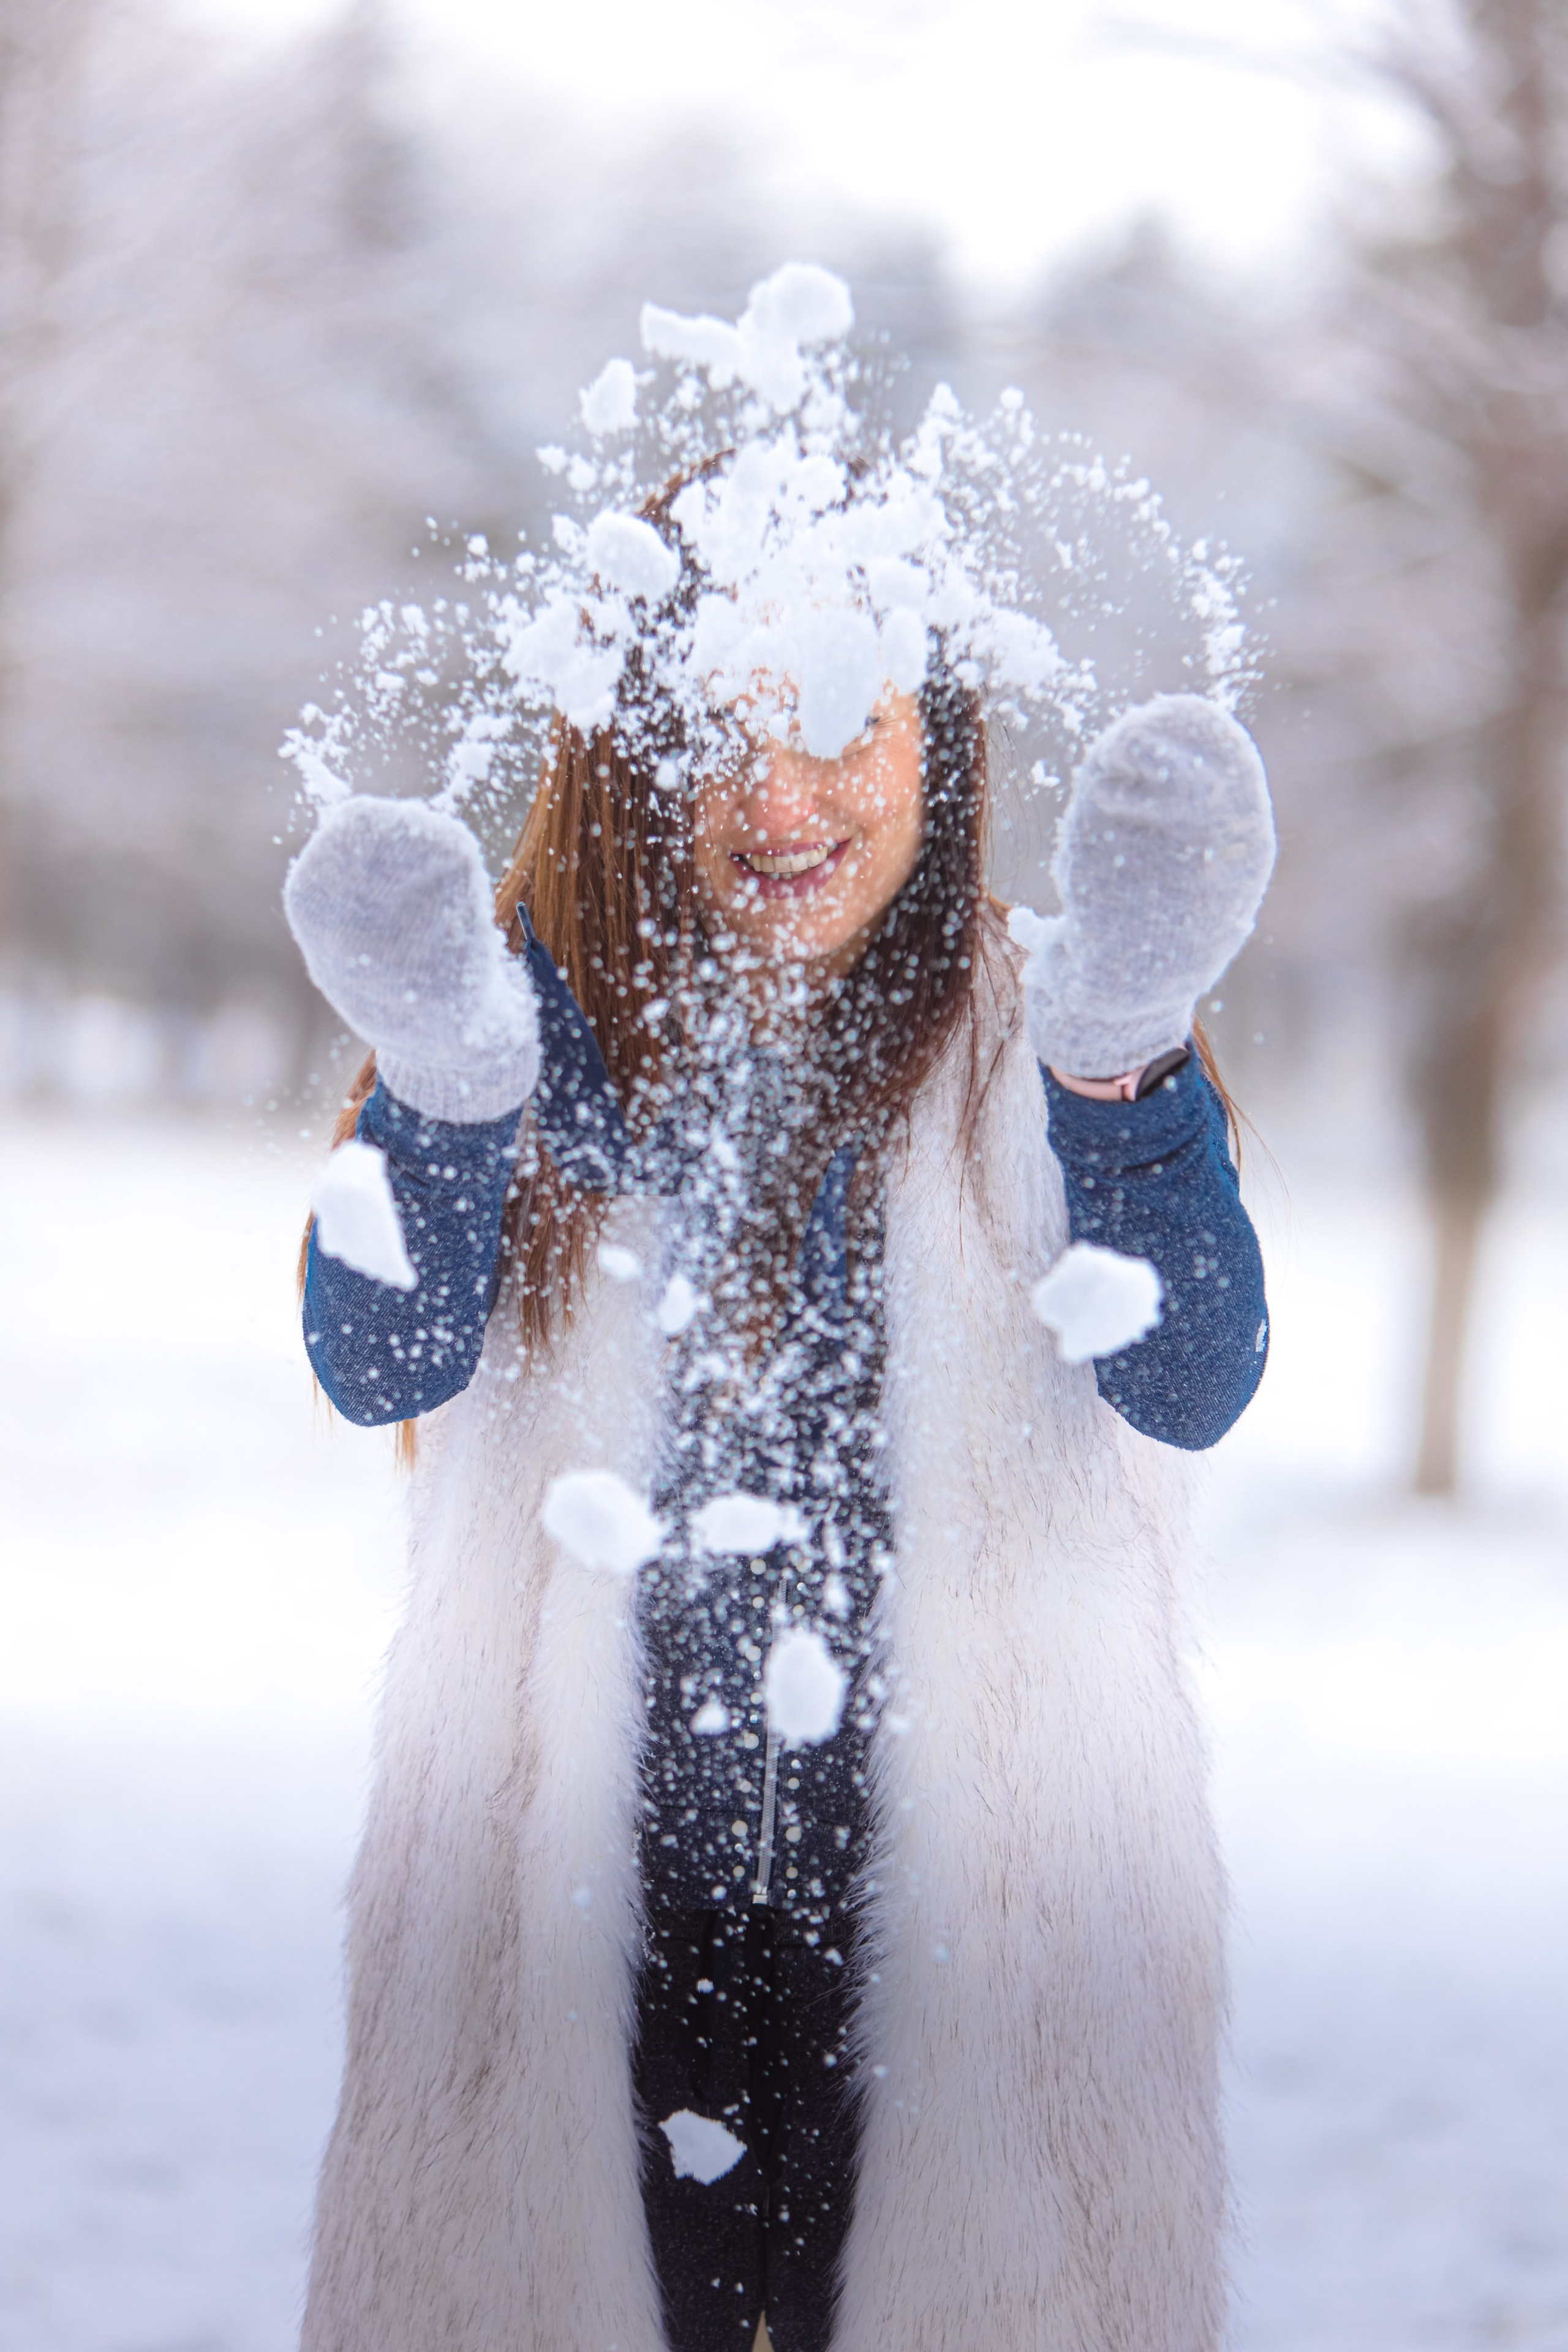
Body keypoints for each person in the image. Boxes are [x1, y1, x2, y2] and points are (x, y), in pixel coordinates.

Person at [283, 601, 1274, 2352]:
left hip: (967, 1974)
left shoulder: (1049, 1038)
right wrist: (442, 1098)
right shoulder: (530, 1026)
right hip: (578, 1952)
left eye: (841, 722)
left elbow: (1193, 1377)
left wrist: (1121, 1061)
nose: (781, 791)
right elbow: (383, 1361)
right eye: (714, 727)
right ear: (621, 751)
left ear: (940, 742)